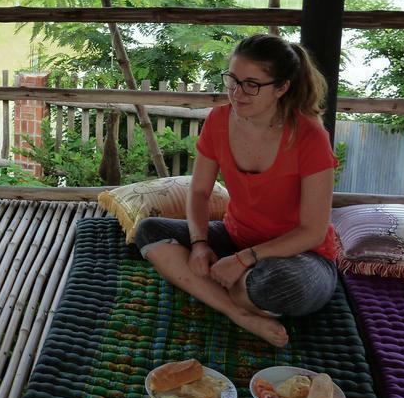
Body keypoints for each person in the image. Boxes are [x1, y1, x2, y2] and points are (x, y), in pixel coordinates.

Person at [134, 33, 339, 347]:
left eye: (251, 85)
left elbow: (312, 231)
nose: (237, 92)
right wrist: (201, 243)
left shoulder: (310, 135)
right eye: (232, 79)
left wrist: (245, 259)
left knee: (279, 285)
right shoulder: (218, 120)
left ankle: (219, 286)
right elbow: (200, 192)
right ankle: (239, 312)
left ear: (282, 87)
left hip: (300, 257)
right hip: (235, 237)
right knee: (149, 230)